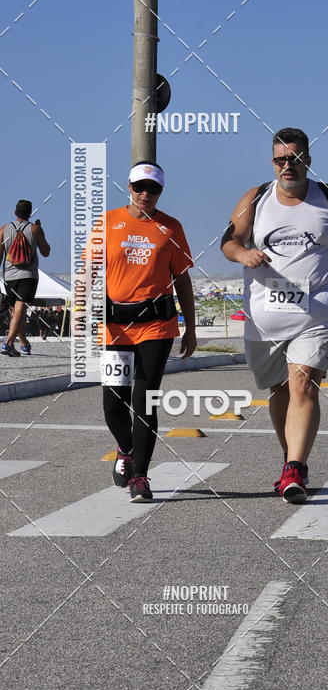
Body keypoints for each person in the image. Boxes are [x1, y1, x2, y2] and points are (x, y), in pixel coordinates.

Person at [221, 127, 328, 503]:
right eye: (280, 160)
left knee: (303, 385)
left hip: (319, 313)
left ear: (308, 158)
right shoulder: (256, 198)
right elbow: (228, 241)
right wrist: (243, 255)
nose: (287, 166)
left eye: (295, 158)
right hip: (266, 315)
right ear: (272, 162)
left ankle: (296, 468)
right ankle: (289, 459)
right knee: (278, 391)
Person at [100, 162, 197, 502]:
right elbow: (89, 271)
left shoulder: (171, 228)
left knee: (145, 401)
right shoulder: (108, 223)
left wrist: (190, 327)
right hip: (116, 329)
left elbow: (182, 278)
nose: (145, 194)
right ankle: (126, 448)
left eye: (153, 189)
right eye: (140, 187)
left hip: (157, 326)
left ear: (161, 192)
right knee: (113, 404)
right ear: (128, 186)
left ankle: (140, 475)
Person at [0, 200, 50, 357]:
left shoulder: (4, 229)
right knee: (20, 307)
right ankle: (8, 343)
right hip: (28, 274)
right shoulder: (35, 229)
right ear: (30, 213)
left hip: (8, 275)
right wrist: (39, 232)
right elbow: (46, 251)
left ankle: (23, 344)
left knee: (15, 310)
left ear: (15, 212)